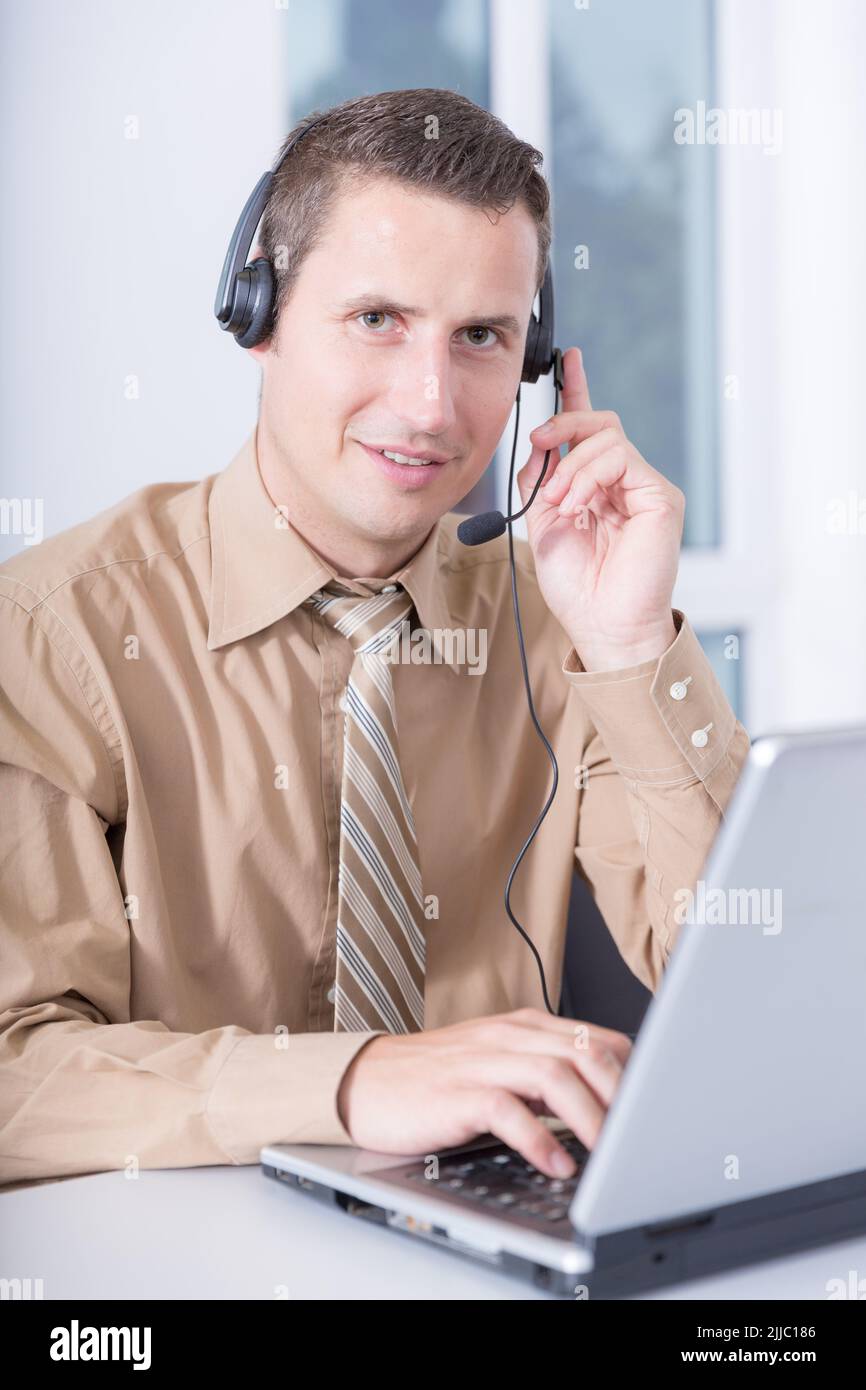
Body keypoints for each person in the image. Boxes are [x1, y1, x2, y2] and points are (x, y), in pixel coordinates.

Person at [0, 89, 749, 1192]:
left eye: (482, 337)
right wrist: (353, 1081)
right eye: (376, 321)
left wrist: (631, 645)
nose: (430, 403)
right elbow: (15, 1070)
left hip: (496, 1231)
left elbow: (758, 983)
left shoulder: (555, 615)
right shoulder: (52, 637)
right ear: (255, 315)